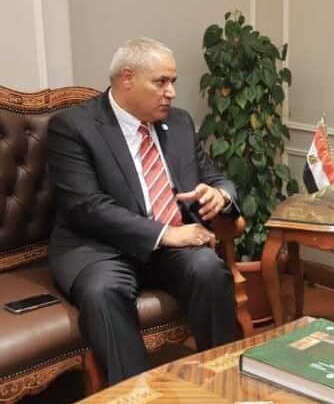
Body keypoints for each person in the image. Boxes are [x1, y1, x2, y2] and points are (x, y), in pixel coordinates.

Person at [47, 37, 241, 384]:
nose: (171, 92)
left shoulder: (179, 123)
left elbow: (215, 176)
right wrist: (166, 233)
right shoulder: (74, 126)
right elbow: (85, 207)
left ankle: (225, 384)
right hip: (99, 247)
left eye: (173, 82)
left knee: (208, 269)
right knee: (103, 291)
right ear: (127, 78)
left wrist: (220, 195)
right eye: (161, 82)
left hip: (169, 247)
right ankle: (136, 395)